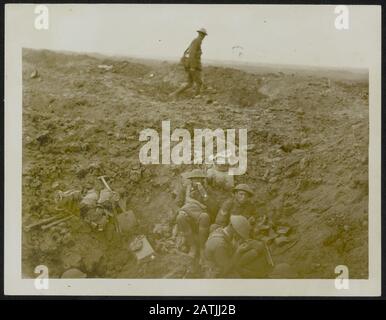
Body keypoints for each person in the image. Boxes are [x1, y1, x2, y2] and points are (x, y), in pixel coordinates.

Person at [204, 215, 271, 278]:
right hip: (217, 273)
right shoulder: (219, 244)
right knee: (249, 273)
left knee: (259, 247)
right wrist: (238, 252)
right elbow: (226, 269)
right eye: (239, 234)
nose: (240, 237)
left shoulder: (222, 231)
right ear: (234, 229)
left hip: (226, 261)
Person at [176, 176, 211, 261]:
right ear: (191, 180)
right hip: (188, 215)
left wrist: (202, 191)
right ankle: (192, 246)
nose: (197, 181)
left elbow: (210, 203)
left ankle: (202, 248)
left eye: (199, 179)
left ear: (202, 180)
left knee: (205, 217)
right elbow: (179, 203)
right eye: (195, 179)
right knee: (180, 217)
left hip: (200, 215)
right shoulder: (185, 189)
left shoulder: (206, 188)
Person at [170, 28, 208, 97]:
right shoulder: (197, 41)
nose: (203, 37)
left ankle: (174, 94)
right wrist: (192, 67)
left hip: (191, 65)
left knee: (190, 83)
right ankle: (196, 96)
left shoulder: (196, 41)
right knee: (199, 82)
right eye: (202, 35)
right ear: (200, 34)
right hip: (193, 66)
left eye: (203, 35)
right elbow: (192, 54)